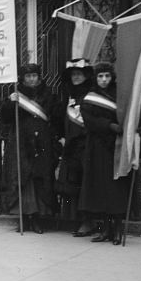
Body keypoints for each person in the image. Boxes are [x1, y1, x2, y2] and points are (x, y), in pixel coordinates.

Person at [0, 62, 63, 234]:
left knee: (40, 179)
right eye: (28, 76)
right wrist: (11, 103)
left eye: (34, 76)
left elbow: (55, 118)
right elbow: (4, 118)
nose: (32, 79)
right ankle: (24, 217)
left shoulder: (48, 95)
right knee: (22, 179)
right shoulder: (16, 95)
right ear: (23, 78)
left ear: (39, 77)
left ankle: (38, 218)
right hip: (20, 143)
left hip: (42, 143)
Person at [78, 62, 128, 245]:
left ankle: (117, 230)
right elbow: (89, 120)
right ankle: (105, 229)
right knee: (101, 189)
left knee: (115, 188)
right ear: (95, 78)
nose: (104, 80)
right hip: (97, 147)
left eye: (107, 76)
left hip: (116, 146)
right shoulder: (90, 97)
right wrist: (109, 125)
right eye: (100, 76)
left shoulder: (120, 96)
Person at [57, 59, 96, 236]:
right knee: (72, 183)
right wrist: (62, 137)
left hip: (87, 145)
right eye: (73, 74)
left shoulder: (92, 95)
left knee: (86, 184)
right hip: (71, 145)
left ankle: (88, 221)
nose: (76, 77)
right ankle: (75, 219)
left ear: (86, 76)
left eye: (79, 74)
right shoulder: (68, 95)